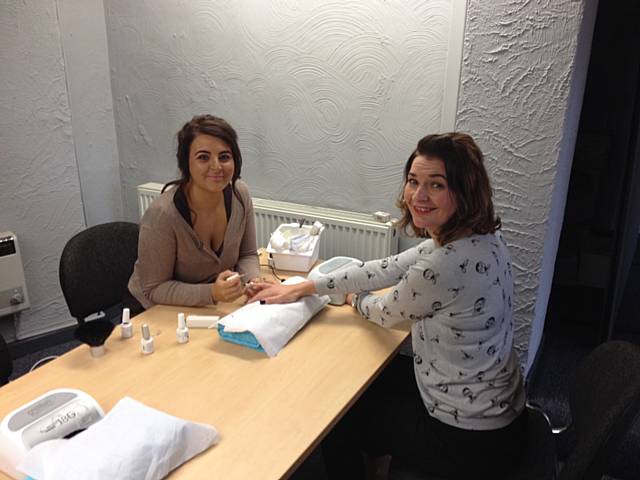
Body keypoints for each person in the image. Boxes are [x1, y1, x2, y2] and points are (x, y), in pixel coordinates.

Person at [250, 133, 527, 479]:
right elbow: (387, 268)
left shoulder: (444, 265)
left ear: (464, 190)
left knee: (337, 414)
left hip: (467, 440)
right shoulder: (481, 237)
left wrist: (352, 298)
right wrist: (307, 286)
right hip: (499, 412)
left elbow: (384, 312)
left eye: (436, 185)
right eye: (413, 181)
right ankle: (378, 464)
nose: (418, 196)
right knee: (368, 383)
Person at [127, 114, 260, 311]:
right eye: (203, 157)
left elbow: (247, 254)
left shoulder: (240, 195)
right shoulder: (162, 214)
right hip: (153, 310)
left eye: (224, 157)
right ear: (185, 163)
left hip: (206, 307)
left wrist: (254, 282)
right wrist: (212, 293)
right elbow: (154, 288)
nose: (216, 166)